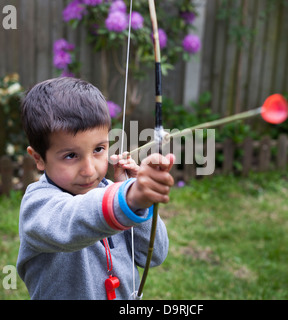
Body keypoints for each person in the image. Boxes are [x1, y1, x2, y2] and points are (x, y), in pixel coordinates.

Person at [16, 77, 175, 299]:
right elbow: (73, 220)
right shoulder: (38, 206)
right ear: (39, 158)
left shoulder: (115, 194)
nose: (89, 170)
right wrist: (128, 198)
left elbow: (154, 254)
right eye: (71, 155)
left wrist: (140, 205)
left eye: (99, 149)